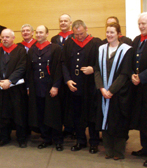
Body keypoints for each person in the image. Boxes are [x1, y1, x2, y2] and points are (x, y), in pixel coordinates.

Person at [62, 20, 102, 153]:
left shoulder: (96, 43)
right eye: (76, 34)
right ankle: (80, 141)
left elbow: (103, 63)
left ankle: (94, 142)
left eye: (81, 33)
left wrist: (93, 68)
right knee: (77, 115)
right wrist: (67, 80)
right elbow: (63, 64)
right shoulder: (69, 43)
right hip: (74, 86)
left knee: (92, 116)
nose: (79, 37)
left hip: (90, 86)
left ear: (86, 29)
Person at [95, 22, 133, 160]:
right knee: (105, 120)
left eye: (112, 32)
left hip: (119, 94)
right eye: (107, 32)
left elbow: (124, 74)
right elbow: (97, 70)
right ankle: (109, 150)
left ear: (118, 33)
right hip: (103, 92)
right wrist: (101, 88)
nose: (109, 35)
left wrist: (111, 91)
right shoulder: (101, 49)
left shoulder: (126, 50)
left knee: (118, 122)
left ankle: (118, 152)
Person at [27, 25, 63, 151]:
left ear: (47, 34)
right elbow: (29, 70)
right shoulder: (32, 49)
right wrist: (29, 87)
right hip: (37, 86)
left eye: (41, 32)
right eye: (37, 32)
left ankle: (58, 140)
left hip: (50, 85)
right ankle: (46, 138)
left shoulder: (55, 48)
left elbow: (59, 69)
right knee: (41, 113)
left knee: (54, 113)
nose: (38, 35)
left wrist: (55, 86)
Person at [0, 29, 28, 148]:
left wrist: (9, 81)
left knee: (18, 114)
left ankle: (21, 138)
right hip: (0, 89)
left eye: (7, 37)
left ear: (13, 38)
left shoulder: (20, 51)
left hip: (15, 89)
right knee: (2, 115)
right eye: (3, 37)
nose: (4, 39)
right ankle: (4, 137)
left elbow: (21, 68)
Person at [51, 14, 75, 140]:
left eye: (66, 21)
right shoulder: (54, 38)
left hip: (70, 74)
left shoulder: (75, 36)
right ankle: (61, 128)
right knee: (60, 103)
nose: (63, 23)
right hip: (57, 74)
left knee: (71, 103)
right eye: (61, 21)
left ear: (70, 23)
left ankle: (72, 128)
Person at [130, 12, 147, 167]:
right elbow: (130, 60)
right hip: (139, 87)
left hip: (145, 83)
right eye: (140, 23)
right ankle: (145, 148)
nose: (142, 26)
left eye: (144, 23)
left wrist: (141, 76)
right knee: (143, 119)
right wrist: (132, 75)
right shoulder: (137, 39)